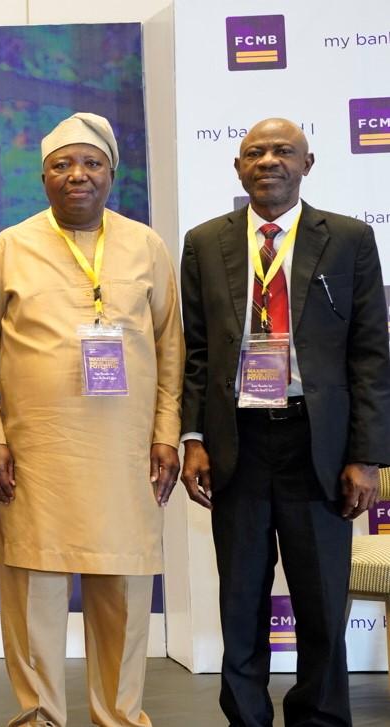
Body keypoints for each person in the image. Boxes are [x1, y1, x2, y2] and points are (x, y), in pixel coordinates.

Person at [0, 112, 183, 727]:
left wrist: (167, 433)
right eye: (62, 165)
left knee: (121, 589)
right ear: (43, 178)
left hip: (125, 453)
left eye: (90, 163)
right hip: (36, 452)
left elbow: (171, 348)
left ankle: (118, 717)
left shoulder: (146, 246)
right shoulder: (8, 247)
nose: (77, 176)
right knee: (34, 587)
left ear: (111, 174)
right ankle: (40, 717)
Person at [180, 118, 390, 727]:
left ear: (308, 163)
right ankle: (246, 718)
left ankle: (319, 719)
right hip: (236, 443)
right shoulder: (204, 241)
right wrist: (193, 438)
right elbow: (196, 352)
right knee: (240, 599)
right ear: (238, 167)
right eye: (255, 152)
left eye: (283, 151)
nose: (268, 160)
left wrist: (367, 455)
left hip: (316, 444)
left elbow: (371, 353)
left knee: (322, 601)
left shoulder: (348, 239)